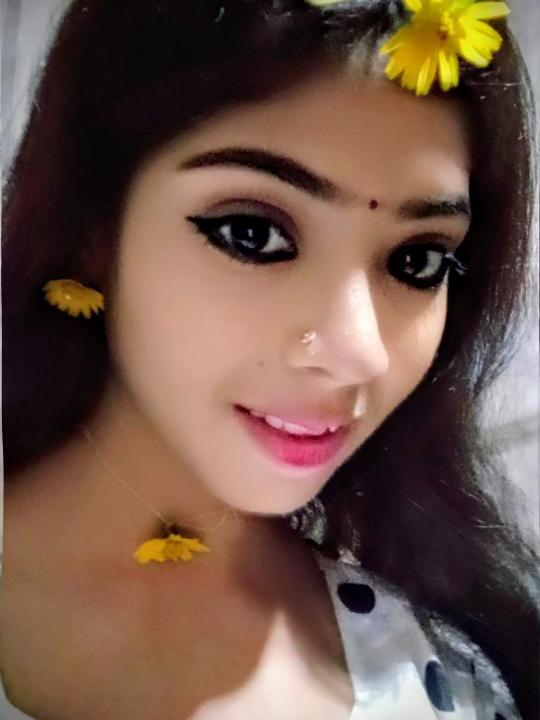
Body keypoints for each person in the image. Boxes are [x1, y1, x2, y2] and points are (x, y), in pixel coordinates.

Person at [0, 0, 538, 718]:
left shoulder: (451, 674)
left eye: (418, 261)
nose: (359, 354)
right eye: (252, 234)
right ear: (95, 228)